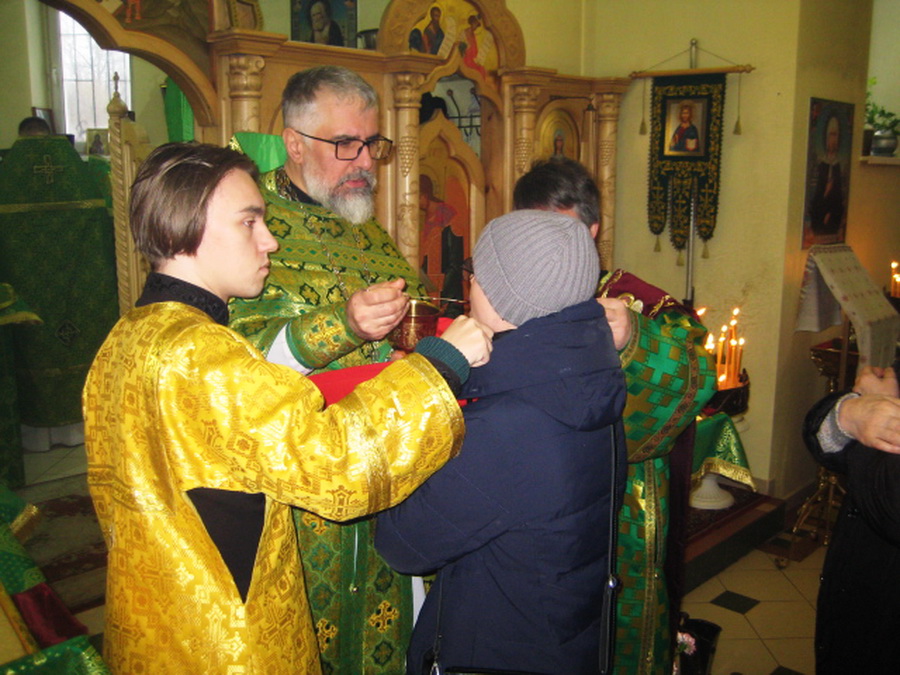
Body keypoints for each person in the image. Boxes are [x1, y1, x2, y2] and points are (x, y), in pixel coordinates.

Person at [83, 142, 493, 674]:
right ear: (187, 226)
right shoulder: (205, 356)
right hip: (226, 646)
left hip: (153, 631)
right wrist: (440, 365)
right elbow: (340, 467)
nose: (270, 241)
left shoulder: (126, 337)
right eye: (248, 222)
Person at [228, 65, 442, 674]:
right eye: (347, 144)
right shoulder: (249, 227)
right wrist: (342, 325)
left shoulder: (364, 226)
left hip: (387, 469)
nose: (366, 162)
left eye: (372, 144)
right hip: (302, 494)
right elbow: (231, 362)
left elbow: (412, 318)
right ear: (295, 143)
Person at [377, 209, 627, 675]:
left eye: (477, 274)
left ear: (501, 295)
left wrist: (420, 387)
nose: (470, 285)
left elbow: (402, 543)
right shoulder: (587, 376)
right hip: (559, 640)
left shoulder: (511, 426)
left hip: (494, 651)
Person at [514, 157, 717, 675]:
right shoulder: (504, 291)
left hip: (619, 505)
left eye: (560, 231)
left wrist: (635, 341)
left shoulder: (640, 303)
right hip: (527, 505)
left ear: (593, 230)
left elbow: (698, 376)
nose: (546, 249)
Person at [802, 362, 900, 675]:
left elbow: (892, 505)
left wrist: (875, 414)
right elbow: (818, 433)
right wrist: (849, 415)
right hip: (856, 584)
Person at [809, 114, 845, 236]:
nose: (833, 140)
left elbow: (839, 195)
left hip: (833, 210)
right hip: (820, 209)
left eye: (835, 135)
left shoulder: (839, 165)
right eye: (831, 135)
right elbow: (816, 193)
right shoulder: (821, 164)